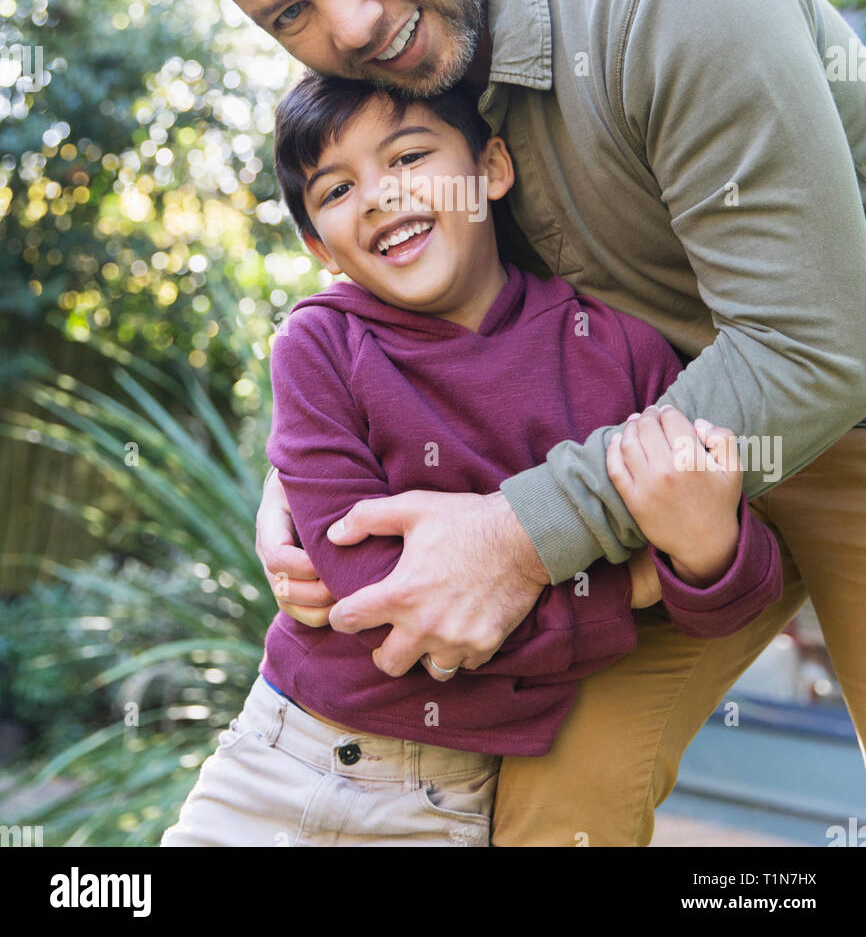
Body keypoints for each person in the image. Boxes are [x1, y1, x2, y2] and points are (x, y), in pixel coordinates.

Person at [182, 0, 866, 845]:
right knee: (554, 811)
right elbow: (414, 287)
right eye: (290, 14)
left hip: (834, 410)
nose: (350, 23)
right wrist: (312, 465)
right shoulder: (420, 68)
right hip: (644, 458)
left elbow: (813, 349)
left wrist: (515, 534)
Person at [161, 72, 782, 847]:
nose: (381, 196)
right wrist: (632, 590)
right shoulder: (318, 347)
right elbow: (383, 603)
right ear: (320, 246)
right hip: (281, 756)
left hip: (452, 800)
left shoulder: (620, 352)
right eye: (337, 189)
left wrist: (701, 547)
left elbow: (740, 591)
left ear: (491, 169)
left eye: (409, 157)